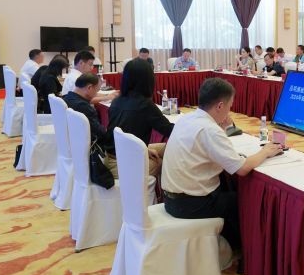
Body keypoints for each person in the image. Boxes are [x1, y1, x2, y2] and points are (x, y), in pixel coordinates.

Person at [163, 78, 282, 252]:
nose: (229, 111)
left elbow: (207, 147)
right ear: (220, 106)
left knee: (227, 190)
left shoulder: (187, 118)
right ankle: (243, 253)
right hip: (190, 205)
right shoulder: (210, 130)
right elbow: (242, 169)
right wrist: (265, 152)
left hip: (171, 199)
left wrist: (223, 129)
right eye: (229, 106)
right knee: (244, 201)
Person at [104, 59, 174, 193]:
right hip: (124, 165)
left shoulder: (117, 101)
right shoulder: (145, 105)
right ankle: (165, 198)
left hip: (113, 156)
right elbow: (170, 131)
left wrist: (145, 150)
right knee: (166, 160)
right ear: (148, 80)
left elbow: (126, 133)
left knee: (168, 148)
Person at [63, 73, 109, 145]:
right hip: (89, 145)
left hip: (71, 140)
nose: (96, 94)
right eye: (97, 90)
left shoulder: (67, 98)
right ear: (89, 88)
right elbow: (100, 134)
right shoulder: (83, 106)